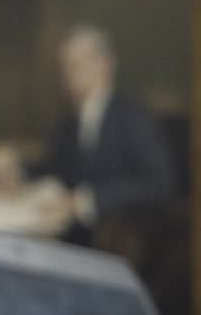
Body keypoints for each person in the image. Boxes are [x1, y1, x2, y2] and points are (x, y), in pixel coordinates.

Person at [33, 24, 174, 247]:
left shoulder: (130, 116)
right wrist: (20, 173)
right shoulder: (68, 120)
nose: (67, 76)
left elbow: (158, 182)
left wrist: (86, 202)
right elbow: (55, 165)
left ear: (103, 65)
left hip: (122, 240)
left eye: (75, 65)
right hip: (73, 237)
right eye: (63, 68)